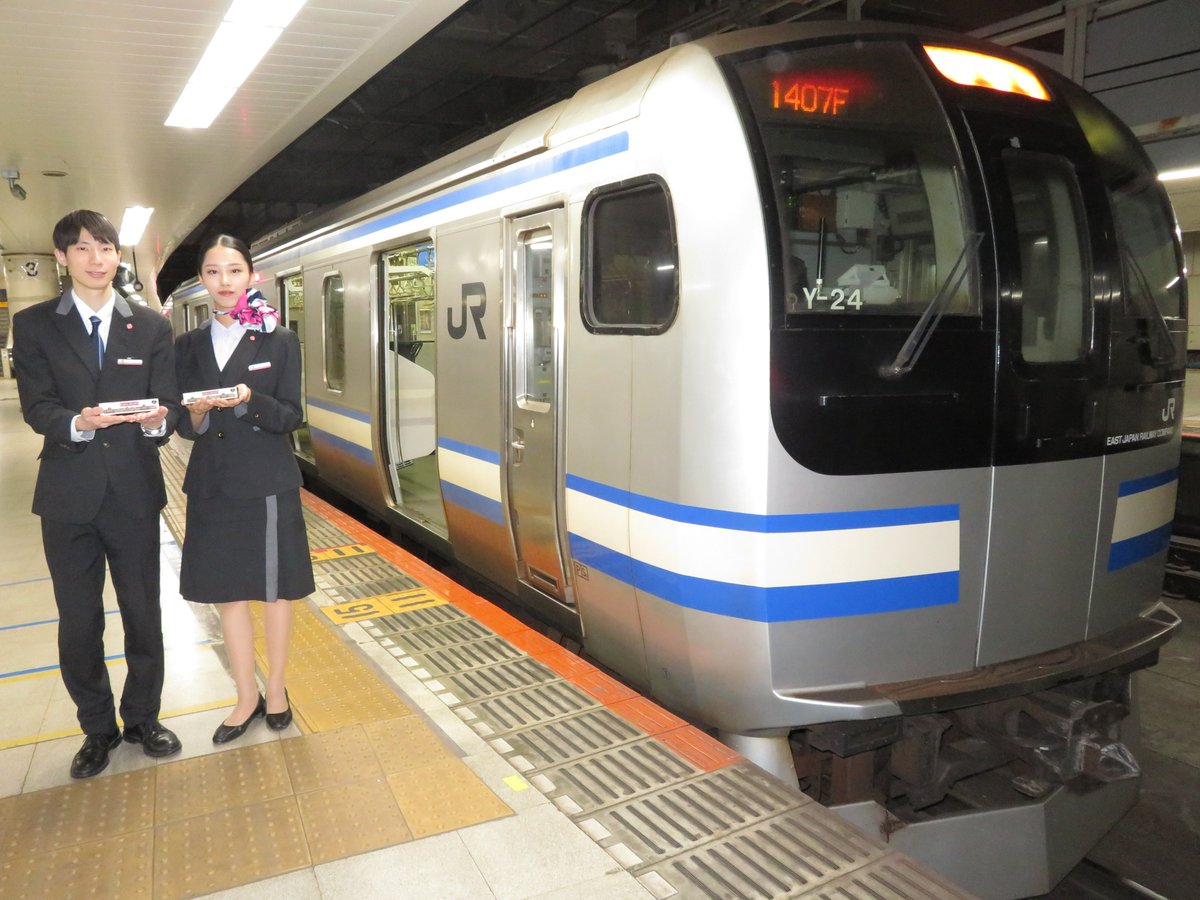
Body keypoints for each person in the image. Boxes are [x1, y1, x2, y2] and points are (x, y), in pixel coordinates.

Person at [12, 209, 182, 778]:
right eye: (83, 248)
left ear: (117, 256)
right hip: (68, 496)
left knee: (143, 612)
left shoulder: (150, 326)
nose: (96, 258)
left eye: (106, 247)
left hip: (134, 491)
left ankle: (143, 718)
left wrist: (159, 421)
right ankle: (96, 728)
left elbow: (168, 404)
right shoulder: (35, 325)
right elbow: (37, 406)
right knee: (79, 621)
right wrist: (77, 424)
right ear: (61, 258)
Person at [174, 234, 314, 743]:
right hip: (212, 484)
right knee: (227, 594)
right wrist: (193, 414)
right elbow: (182, 425)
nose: (224, 281)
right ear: (202, 280)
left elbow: (291, 415)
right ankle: (245, 697)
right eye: (213, 272)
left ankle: (275, 691)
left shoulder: (279, 339)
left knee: (275, 593)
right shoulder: (187, 346)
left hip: (267, 483)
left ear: (251, 276)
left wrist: (250, 399)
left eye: (234, 270)